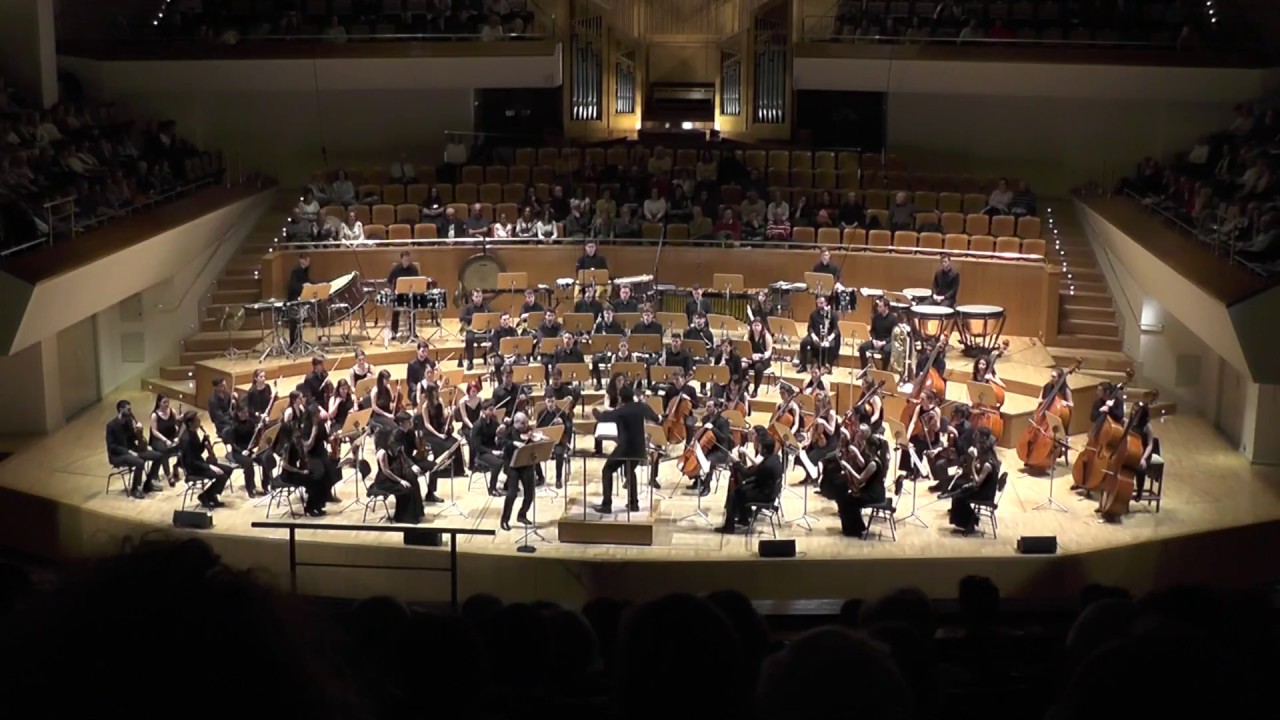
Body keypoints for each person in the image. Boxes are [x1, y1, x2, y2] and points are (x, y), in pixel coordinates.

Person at [592, 383, 661, 513]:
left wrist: (595, 411)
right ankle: (633, 504)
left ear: (620, 398)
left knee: (607, 470)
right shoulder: (642, 407)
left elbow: (602, 418)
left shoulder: (621, 411)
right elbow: (656, 418)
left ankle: (606, 505)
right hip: (639, 448)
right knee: (630, 471)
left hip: (625, 448)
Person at [717, 434, 783, 534]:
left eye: (760, 446)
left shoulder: (767, 464)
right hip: (769, 490)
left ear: (764, 450)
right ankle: (743, 519)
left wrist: (736, 462)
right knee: (741, 489)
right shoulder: (775, 458)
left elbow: (747, 474)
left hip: (766, 496)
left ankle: (729, 527)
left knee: (734, 495)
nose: (758, 448)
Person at [832, 424, 890, 537]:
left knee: (849, 500)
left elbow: (860, 480)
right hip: (870, 491)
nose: (865, 446)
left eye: (867, 445)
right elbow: (862, 465)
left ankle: (856, 529)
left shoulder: (874, 463)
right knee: (845, 498)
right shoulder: (872, 459)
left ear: (871, 448)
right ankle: (852, 528)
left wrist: (848, 467)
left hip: (874, 494)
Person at [946, 427, 1000, 534]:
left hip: (985, 494)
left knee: (960, 497)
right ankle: (970, 520)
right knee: (959, 490)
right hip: (983, 488)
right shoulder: (991, 459)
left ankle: (970, 523)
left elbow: (977, 482)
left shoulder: (987, 465)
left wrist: (973, 465)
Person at [105, 400, 164, 499]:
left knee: (158, 456)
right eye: (128, 410)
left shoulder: (128, 422)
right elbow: (112, 446)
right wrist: (129, 452)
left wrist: (139, 432)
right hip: (118, 455)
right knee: (140, 462)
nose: (130, 412)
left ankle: (148, 483)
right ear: (121, 410)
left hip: (133, 451)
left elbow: (135, 439)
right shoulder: (111, 426)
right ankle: (135, 489)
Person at [371, 421, 425, 524]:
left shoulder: (391, 446)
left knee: (412, 480)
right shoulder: (382, 452)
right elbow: (386, 471)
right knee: (407, 489)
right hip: (384, 480)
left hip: (392, 476)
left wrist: (412, 466)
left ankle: (417, 514)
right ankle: (403, 517)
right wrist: (401, 481)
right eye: (391, 435)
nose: (393, 436)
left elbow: (402, 456)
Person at [176, 411, 232, 510]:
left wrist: (203, 441)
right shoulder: (187, 439)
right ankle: (205, 496)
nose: (199, 421)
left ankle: (210, 495)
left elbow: (197, 452)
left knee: (228, 469)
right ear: (190, 423)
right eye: (197, 420)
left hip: (199, 464)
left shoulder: (193, 433)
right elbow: (191, 461)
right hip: (194, 469)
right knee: (221, 476)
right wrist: (210, 466)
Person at [226, 402, 276, 498]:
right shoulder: (233, 426)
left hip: (250, 450)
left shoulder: (250, 422)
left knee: (265, 458)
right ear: (238, 413)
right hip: (238, 452)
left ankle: (266, 484)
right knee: (248, 463)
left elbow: (257, 438)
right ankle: (250, 488)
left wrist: (259, 429)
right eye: (243, 413)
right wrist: (242, 452)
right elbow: (232, 443)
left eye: (246, 413)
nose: (246, 415)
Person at [499, 412, 538, 531]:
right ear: (515, 423)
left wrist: (536, 440)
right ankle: (504, 520)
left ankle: (522, 514)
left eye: (526, 422)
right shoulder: (509, 431)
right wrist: (514, 443)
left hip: (526, 464)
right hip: (512, 466)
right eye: (523, 423)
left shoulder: (529, 431)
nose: (526, 425)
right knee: (512, 494)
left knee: (530, 493)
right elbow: (501, 442)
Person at [687, 398, 734, 497]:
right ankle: (697, 480)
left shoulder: (723, 421)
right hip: (708, 447)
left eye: (709, 407)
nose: (706, 409)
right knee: (694, 456)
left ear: (716, 408)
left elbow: (724, 438)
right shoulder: (705, 419)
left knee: (709, 460)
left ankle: (707, 486)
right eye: (706, 406)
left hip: (721, 450)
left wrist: (713, 428)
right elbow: (703, 434)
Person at [534, 391, 571, 489]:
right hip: (545, 441)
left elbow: (568, 429)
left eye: (552, 402)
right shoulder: (542, 413)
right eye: (549, 401)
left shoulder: (561, 413)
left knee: (559, 454)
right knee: (532, 454)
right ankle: (540, 477)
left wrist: (562, 423)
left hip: (558, 441)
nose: (551, 404)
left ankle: (558, 479)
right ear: (545, 402)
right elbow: (538, 429)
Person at [470, 400, 505, 497]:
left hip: (492, 449)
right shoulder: (477, 425)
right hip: (482, 453)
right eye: (490, 409)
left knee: (509, 456)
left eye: (493, 409)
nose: (493, 411)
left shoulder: (493, 422)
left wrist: (501, 431)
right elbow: (477, 446)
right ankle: (492, 488)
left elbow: (498, 434)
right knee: (497, 463)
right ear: (483, 411)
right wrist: (493, 452)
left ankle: (508, 484)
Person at [798, 294, 839, 372]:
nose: (820, 305)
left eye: (821, 303)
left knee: (832, 344)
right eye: (818, 303)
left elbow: (836, 329)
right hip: (816, 336)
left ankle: (828, 366)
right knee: (804, 343)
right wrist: (814, 337)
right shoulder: (813, 314)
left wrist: (829, 338)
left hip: (828, 337)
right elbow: (810, 328)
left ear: (826, 303)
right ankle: (803, 365)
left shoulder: (833, 314)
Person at [386, 251, 421, 343]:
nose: (407, 261)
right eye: (405, 260)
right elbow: (389, 281)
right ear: (401, 259)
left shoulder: (413, 269)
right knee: (396, 311)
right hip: (399, 295)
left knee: (412, 310)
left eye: (408, 260)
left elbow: (417, 282)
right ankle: (394, 332)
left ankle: (412, 332)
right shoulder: (396, 269)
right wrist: (392, 290)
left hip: (410, 295)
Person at [149, 394, 183, 484]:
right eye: (164, 402)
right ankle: (168, 475)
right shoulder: (154, 415)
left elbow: (175, 423)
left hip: (170, 437)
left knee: (184, 445)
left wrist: (177, 437)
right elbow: (154, 431)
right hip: (158, 439)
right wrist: (165, 440)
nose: (167, 404)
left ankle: (177, 466)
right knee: (163, 450)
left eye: (168, 402)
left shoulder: (172, 411)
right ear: (159, 403)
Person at [858, 296, 896, 370]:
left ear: (886, 308)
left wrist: (883, 343)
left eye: (880, 307)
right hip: (876, 341)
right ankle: (864, 370)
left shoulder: (893, 319)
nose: (878, 308)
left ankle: (883, 371)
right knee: (862, 348)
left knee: (887, 350)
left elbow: (893, 335)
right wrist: (874, 340)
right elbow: (872, 331)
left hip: (886, 342)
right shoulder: (876, 317)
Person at [458, 288, 490, 371]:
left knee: (495, 335)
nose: (478, 299)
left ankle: (487, 354)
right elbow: (461, 318)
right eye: (476, 297)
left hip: (484, 330)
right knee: (469, 338)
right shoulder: (467, 308)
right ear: (472, 297)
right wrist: (474, 318)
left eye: (480, 296)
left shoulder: (486, 307)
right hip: (472, 329)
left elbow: (492, 316)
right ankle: (470, 361)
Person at [286, 254, 311, 349]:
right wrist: (304, 286)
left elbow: (306, 282)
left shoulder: (305, 271)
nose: (309, 263)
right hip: (294, 299)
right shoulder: (296, 271)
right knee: (294, 322)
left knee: (300, 321)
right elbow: (293, 285)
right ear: (302, 260)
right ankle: (293, 343)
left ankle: (299, 340)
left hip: (300, 299)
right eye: (307, 260)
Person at [744, 316, 773, 398]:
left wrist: (761, 356)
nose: (756, 327)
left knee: (758, 367)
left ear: (761, 326)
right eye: (754, 325)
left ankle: (755, 389)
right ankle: (744, 387)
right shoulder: (748, 335)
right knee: (743, 364)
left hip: (763, 359)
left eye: (758, 325)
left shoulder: (766, 336)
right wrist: (751, 356)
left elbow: (769, 351)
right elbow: (745, 347)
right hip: (752, 357)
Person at [405, 341, 435, 406]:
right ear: (417, 351)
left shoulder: (431, 362)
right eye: (423, 351)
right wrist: (417, 388)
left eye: (426, 352)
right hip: (416, 390)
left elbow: (433, 377)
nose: (424, 354)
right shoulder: (412, 364)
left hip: (428, 388)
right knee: (417, 396)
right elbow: (409, 381)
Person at [207, 378, 235, 443]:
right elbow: (219, 418)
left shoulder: (227, 395)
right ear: (215, 388)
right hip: (222, 425)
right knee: (236, 429)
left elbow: (232, 409)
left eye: (225, 385)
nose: (225, 387)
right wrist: (232, 420)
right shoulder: (212, 401)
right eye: (222, 386)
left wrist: (234, 402)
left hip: (230, 420)